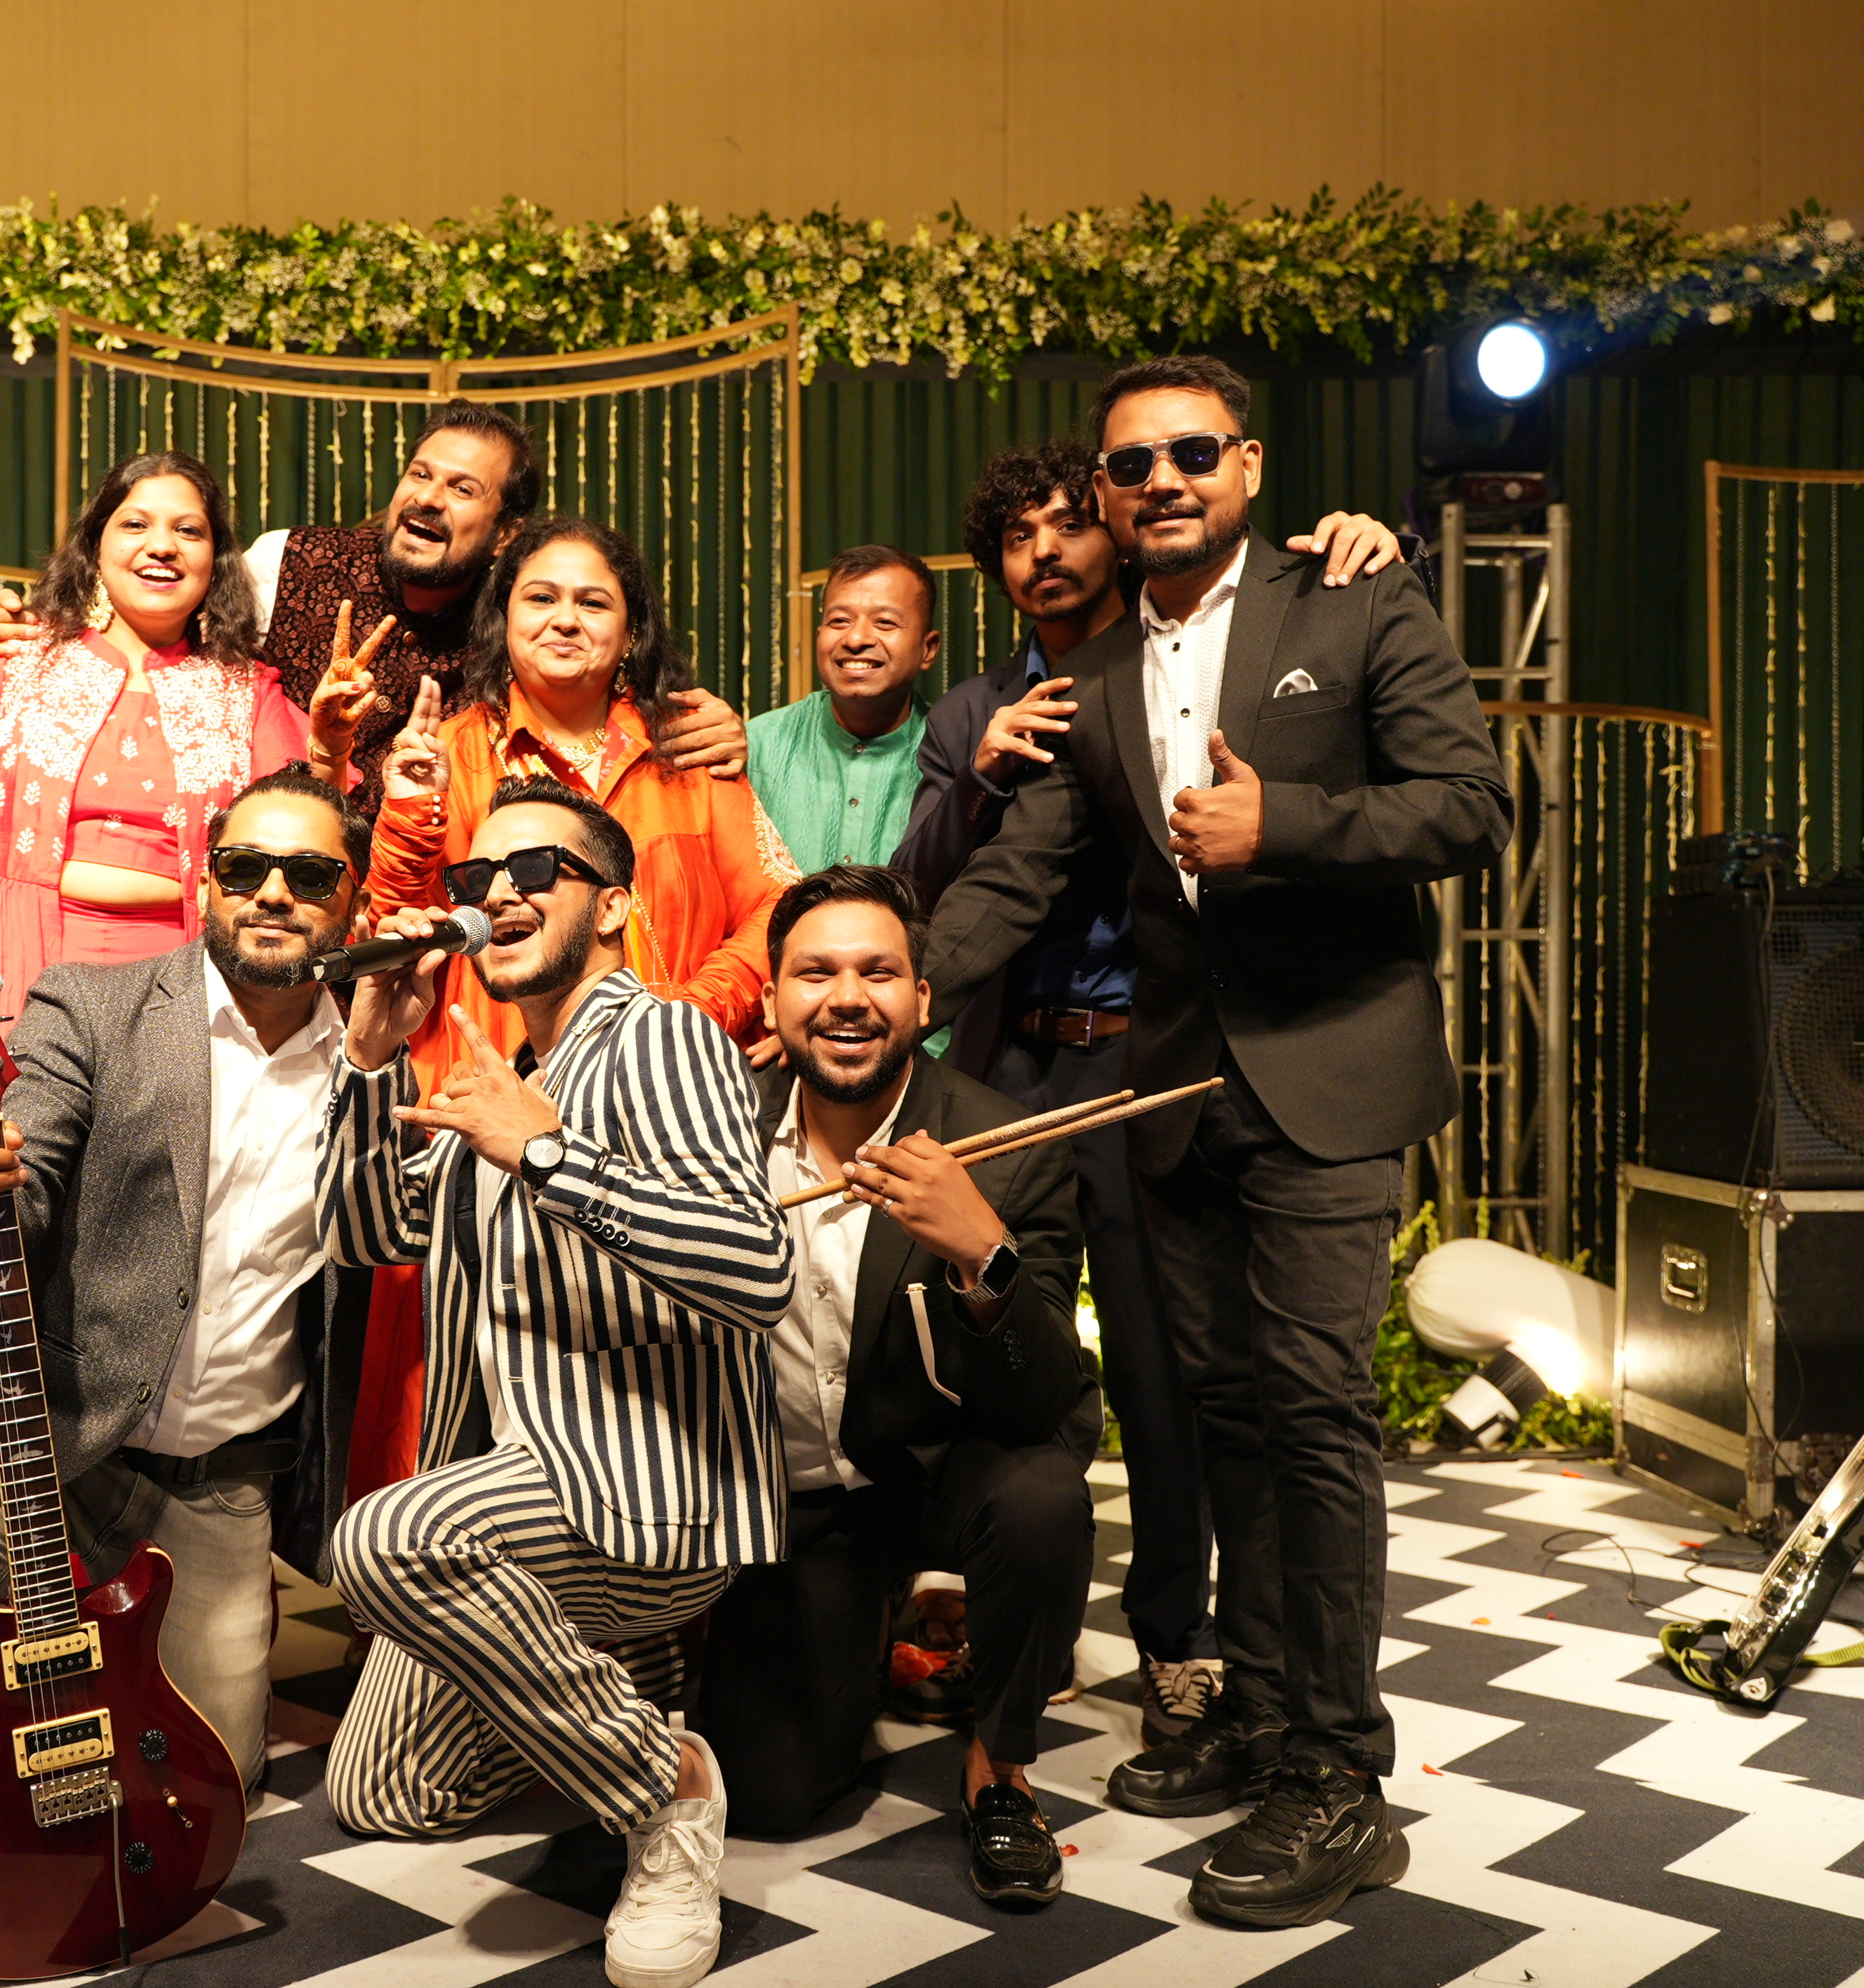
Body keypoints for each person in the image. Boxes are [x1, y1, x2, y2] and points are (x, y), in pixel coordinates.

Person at [919, 355, 1510, 1930]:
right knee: (1230, 1414)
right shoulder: (1105, 668)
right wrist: (891, 981)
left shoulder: (1354, 602)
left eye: (1191, 451)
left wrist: (1285, 827)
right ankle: (1255, 1707)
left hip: (1331, 1074)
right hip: (1181, 1095)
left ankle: (1338, 1773)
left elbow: (1470, 806)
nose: (1162, 480)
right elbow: (1026, 867)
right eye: (1132, 464)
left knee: (1313, 1411)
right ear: (1107, 496)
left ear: (1244, 464)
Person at [896, 443, 1407, 1745]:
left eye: (1074, 523)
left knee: (1180, 1374)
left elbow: (1437, 785)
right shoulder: (986, 707)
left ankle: (1192, 1649)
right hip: (1010, 1063)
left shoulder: (1216, 648)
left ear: (1122, 532)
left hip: (1160, 1062)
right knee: (1005, 1342)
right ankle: (1027, 1619)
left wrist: (1366, 542)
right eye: (1021, 536)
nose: (1049, 552)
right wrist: (905, 971)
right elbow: (963, 878)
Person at [0, 453, 348, 1740]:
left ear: (220, 560)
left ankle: (110, 1649)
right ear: (95, 538)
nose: (164, 543)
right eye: (138, 521)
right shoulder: (10, 663)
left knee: (143, 1280)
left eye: (191, 528)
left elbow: (308, 841)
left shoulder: (255, 698)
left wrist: (342, 745)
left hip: (169, 995)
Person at [319, 780, 790, 1988]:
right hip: (528, 1501)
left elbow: (759, 1266)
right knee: (382, 1791)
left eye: (537, 871)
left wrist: (547, 1153)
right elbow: (365, 1234)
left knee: (383, 1539)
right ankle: (624, 1687)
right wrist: (368, 1062)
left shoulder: (662, 1039)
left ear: (616, 906)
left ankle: (667, 1787)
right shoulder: (504, 1075)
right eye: (476, 880)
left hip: (651, 1495)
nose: (500, 895)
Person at [0, 766, 378, 1789]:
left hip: (215, 1478)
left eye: (309, 875)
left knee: (210, 1790)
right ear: (205, 882)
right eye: (244, 868)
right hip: (37, 1416)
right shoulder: (94, 1004)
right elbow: (26, 1168)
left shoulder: (377, 1055)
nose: (273, 894)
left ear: (355, 898)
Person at [350, 512, 801, 1491]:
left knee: (636, 1352)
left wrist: (683, 1017)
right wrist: (410, 813)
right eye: (540, 597)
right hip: (482, 1097)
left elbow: (777, 905)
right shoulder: (450, 749)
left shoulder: (691, 749)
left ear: (630, 628)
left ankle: (642, 1546)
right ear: (501, 617)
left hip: (655, 1109)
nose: (565, 619)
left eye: (593, 602)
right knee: (459, 1376)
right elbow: (397, 925)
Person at [696, 866, 1098, 1911]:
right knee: (771, 1797)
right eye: (815, 973)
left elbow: (1045, 1404)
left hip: (942, 1471)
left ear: (922, 999)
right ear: (772, 998)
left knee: (1042, 1498)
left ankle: (1000, 1769)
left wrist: (983, 1257)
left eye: (878, 973)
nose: (847, 998)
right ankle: (877, 1630)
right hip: (794, 1497)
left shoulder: (1006, 1147)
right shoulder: (715, 1136)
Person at [0, 401, 751, 795]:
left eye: (461, 488)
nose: (427, 497)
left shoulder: (522, 617)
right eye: (420, 474)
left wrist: (709, 725)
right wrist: (22, 625)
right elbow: (152, 606)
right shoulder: (287, 561)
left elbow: (603, 697)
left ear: (506, 532)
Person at [743, 545, 940, 872]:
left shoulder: (951, 756)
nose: (856, 639)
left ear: (928, 649)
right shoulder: (756, 747)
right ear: (819, 635)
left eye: (885, 622)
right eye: (839, 621)